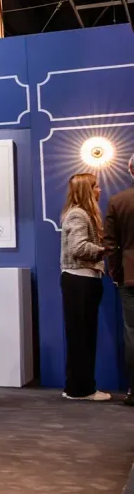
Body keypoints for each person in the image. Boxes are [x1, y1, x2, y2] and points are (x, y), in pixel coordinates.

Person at [60, 173, 110, 401]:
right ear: (86, 190)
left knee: (81, 336)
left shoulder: (78, 214)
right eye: (96, 186)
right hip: (80, 281)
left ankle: (76, 387)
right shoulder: (78, 215)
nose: (100, 190)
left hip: (81, 281)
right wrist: (104, 250)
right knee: (82, 337)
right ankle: (82, 390)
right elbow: (78, 248)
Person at [105, 155, 134, 407]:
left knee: (132, 333)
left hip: (130, 276)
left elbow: (111, 244)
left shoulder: (118, 201)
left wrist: (115, 272)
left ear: (130, 169)